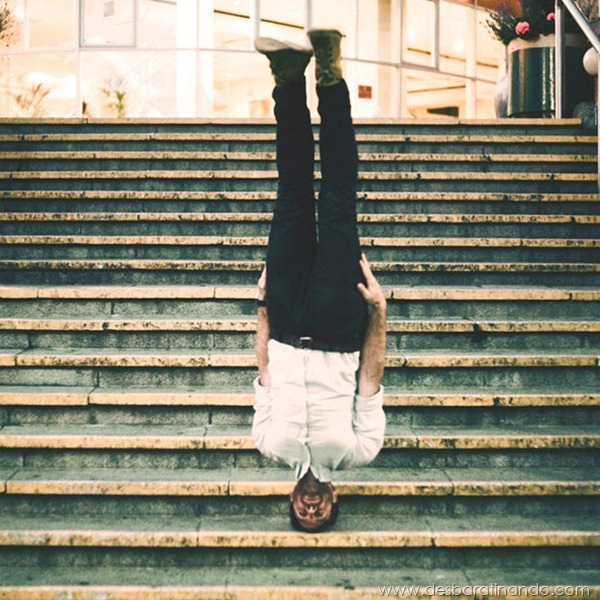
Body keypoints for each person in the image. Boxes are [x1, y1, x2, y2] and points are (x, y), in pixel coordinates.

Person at [251, 29, 387, 533]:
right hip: (336, 321)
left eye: (302, 514)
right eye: (320, 513)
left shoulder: (268, 442)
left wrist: (264, 306)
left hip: (285, 317)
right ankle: (329, 73)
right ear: (333, 502)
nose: (310, 508)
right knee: (336, 197)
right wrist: (379, 308)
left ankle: (287, 78)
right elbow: (370, 377)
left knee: (291, 193)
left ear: (290, 500)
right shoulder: (359, 450)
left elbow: (264, 369)